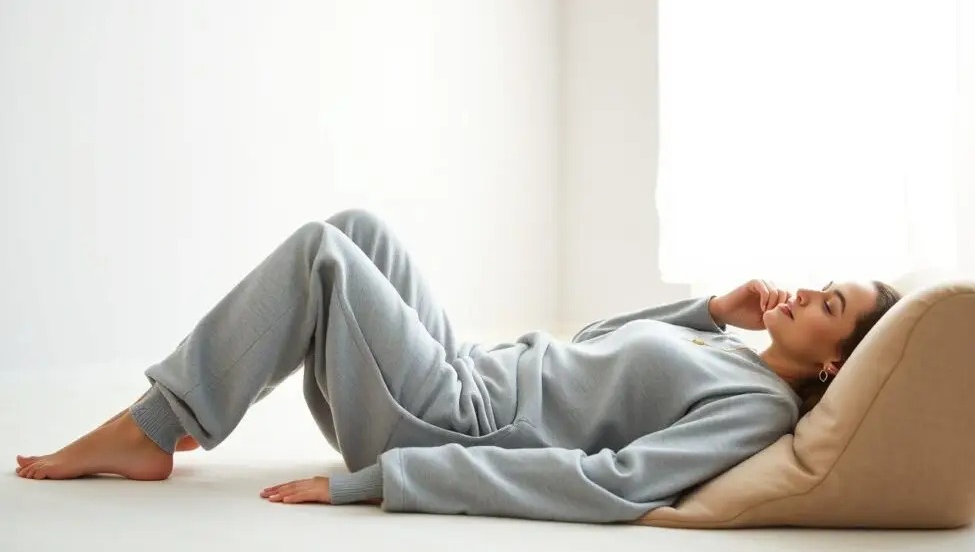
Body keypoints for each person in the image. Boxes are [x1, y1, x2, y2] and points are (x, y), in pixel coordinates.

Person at [14, 209, 902, 523]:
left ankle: (151, 427)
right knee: (360, 227)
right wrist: (708, 310)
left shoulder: (757, 413)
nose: (802, 292)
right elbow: (594, 341)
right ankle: (167, 416)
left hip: (449, 418)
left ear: (833, 361)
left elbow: (610, 481)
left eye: (827, 306)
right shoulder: (730, 350)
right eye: (819, 284)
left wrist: (384, 480)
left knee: (323, 250)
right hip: (471, 372)